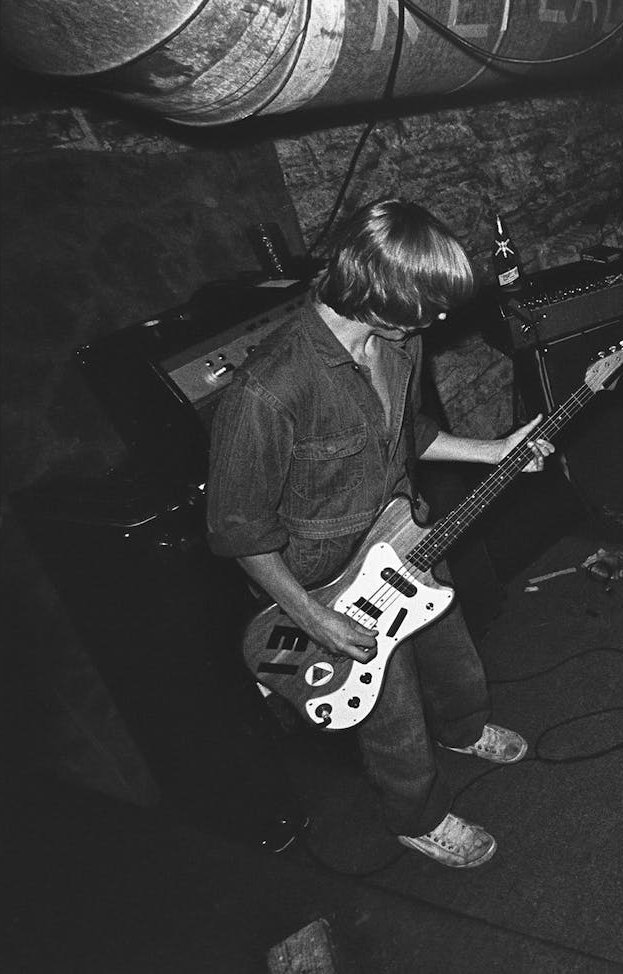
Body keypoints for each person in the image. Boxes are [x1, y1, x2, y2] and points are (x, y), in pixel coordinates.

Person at [207, 197, 554, 869]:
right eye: (429, 304)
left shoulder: (400, 341)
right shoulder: (268, 391)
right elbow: (239, 531)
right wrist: (315, 620)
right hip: (326, 584)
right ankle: (415, 817)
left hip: (405, 538)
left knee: (454, 658)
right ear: (380, 292)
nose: (440, 319)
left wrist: (493, 449)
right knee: (391, 715)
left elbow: (409, 433)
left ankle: (464, 729)